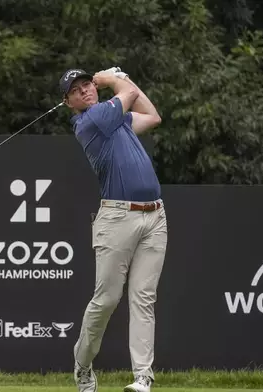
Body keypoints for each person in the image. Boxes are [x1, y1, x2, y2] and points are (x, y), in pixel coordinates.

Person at [57, 67, 168, 392]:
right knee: (106, 299)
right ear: (69, 103)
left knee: (144, 299)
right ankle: (82, 364)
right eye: (76, 90)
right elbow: (130, 95)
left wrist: (120, 78)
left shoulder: (116, 120)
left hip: (155, 217)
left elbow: (152, 115)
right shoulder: (91, 122)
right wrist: (110, 77)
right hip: (117, 219)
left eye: (87, 84)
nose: (85, 91)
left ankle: (143, 378)